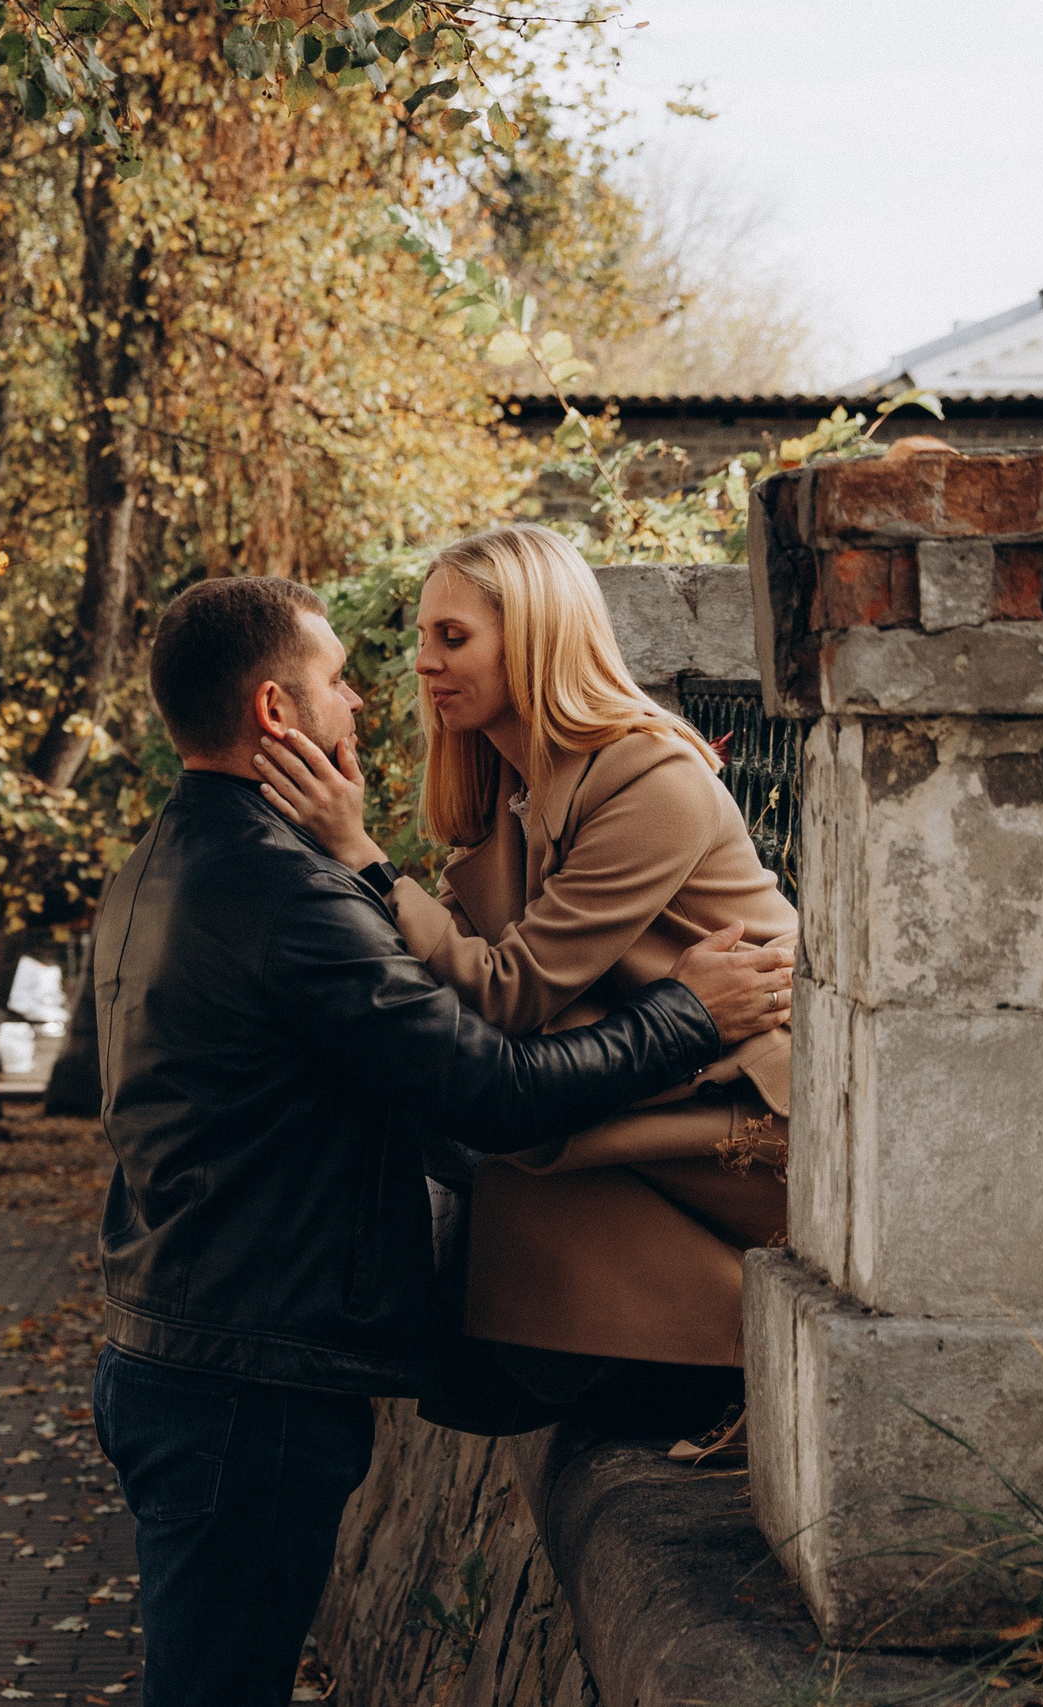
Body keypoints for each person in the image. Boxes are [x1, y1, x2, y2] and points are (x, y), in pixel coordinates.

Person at [91, 575, 790, 1707]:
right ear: (276, 713)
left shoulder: (159, 864)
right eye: (336, 681)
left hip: (178, 1354)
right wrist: (689, 1017)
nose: (367, 699)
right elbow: (493, 1093)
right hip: (245, 1388)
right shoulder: (283, 894)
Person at [255, 523, 796, 1454]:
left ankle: (720, 1360)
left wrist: (364, 859)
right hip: (658, 1082)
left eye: (452, 638)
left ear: (537, 634)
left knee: (496, 1134)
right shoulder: (515, 785)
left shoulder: (648, 776)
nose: (424, 662)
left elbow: (508, 993)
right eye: (425, 638)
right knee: (453, 1119)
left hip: (747, 1124)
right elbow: (467, 982)